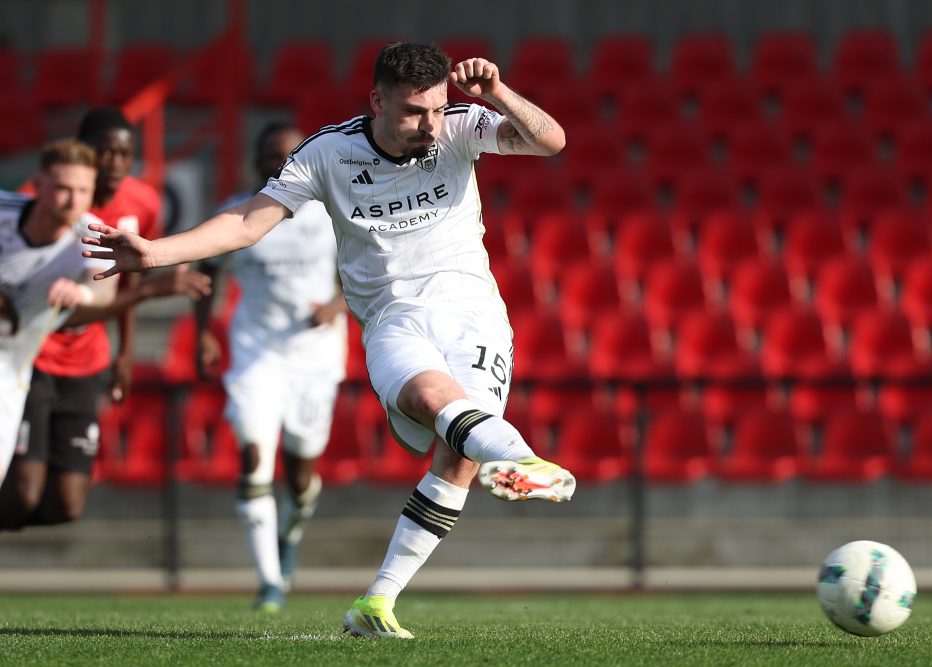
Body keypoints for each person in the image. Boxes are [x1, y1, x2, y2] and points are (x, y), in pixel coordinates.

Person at [83, 42, 576, 639]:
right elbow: (246, 221)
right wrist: (155, 253)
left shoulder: (461, 126)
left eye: (437, 109)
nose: (429, 125)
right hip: (394, 318)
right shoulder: (327, 154)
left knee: (458, 454)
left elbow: (551, 141)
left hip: (475, 314)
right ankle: (521, 457)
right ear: (377, 101)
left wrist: (496, 93)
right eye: (414, 112)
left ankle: (376, 603)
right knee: (428, 397)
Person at [0, 109, 210, 532]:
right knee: (21, 488)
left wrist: (125, 350)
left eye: (124, 154)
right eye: (104, 153)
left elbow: (109, 293)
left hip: (72, 356)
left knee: (67, 502)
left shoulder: (103, 228)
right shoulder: (26, 204)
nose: (114, 163)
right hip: (33, 357)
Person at [194, 122, 348, 612]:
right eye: (270, 158)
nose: (279, 166)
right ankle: (270, 583)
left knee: (301, 472)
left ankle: (290, 535)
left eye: (288, 157)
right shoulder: (236, 214)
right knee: (253, 458)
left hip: (316, 358)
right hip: (256, 355)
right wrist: (202, 329)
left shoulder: (330, 214)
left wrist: (338, 304)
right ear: (257, 163)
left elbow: (367, 266)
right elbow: (206, 270)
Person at [0, 139, 118, 488]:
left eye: (83, 190)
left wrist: (80, 291)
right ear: (39, 184)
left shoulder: (93, 235)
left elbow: (105, 289)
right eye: (63, 188)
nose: (73, 200)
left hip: (10, 371)